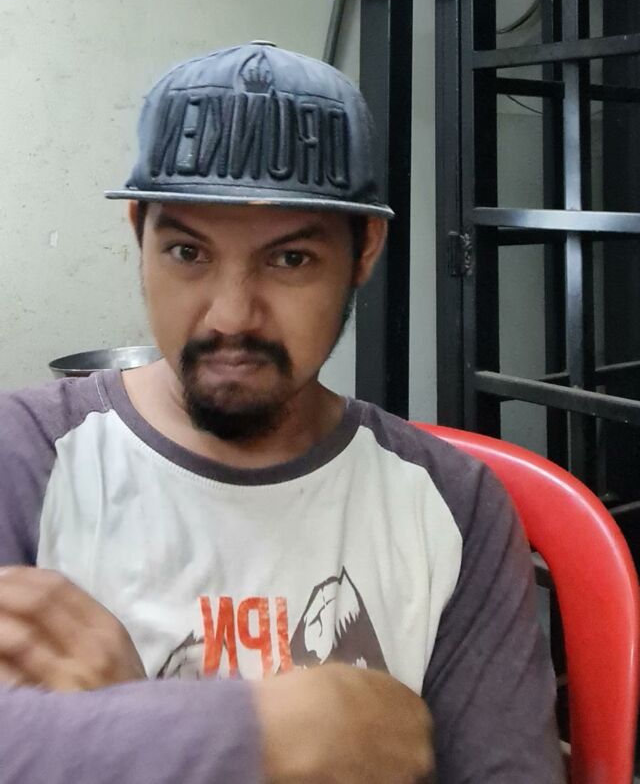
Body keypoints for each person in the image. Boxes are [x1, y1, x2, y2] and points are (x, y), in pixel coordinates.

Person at [0, 42, 564, 783]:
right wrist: (254, 735)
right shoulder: (26, 459)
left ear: (365, 250)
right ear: (138, 231)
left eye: (290, 259)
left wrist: (106, 726)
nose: (232, 316)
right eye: (188, 253)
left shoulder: (452, 508)